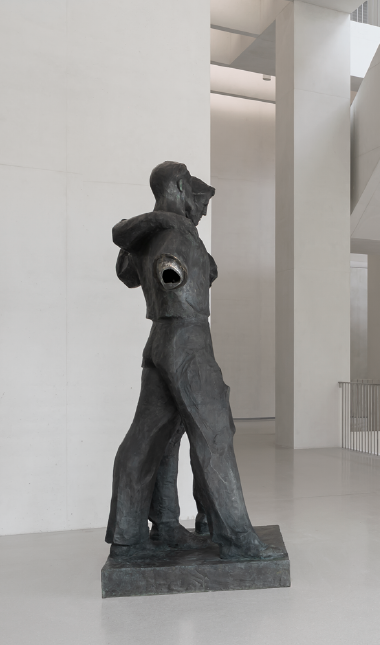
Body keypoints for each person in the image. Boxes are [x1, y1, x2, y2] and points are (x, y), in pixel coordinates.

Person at [105, 162, 272, 561]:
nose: (199, 213)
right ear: (180, 186)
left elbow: (129, 272)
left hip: (159, 341)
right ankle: (237, 539)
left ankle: (138, 533)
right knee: (214, 435)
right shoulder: (172, 232)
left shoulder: (152, 235)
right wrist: (172, 245)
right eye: (197, 203)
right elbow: (171, 274)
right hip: (186, 339)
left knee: (148, 438)